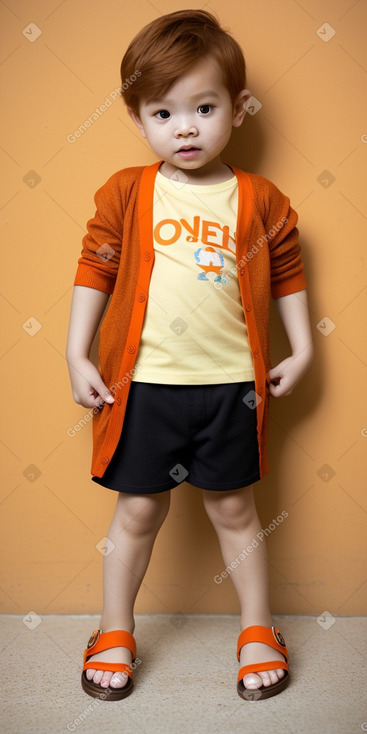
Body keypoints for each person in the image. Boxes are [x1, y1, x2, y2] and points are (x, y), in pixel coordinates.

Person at [66, 9, 313, 702]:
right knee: (138, 513)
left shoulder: (258, 198)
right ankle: (114, 627)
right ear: (138, 119)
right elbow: (97, 266)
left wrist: (301, 348)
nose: (185, 127)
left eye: (203, 108)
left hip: (230, 388)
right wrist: (76, 353)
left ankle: (258, 627)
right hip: (143, 389)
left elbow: (288, 271)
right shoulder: (127, 191)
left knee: (234, 510)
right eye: (163, 111)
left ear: (237, 108)